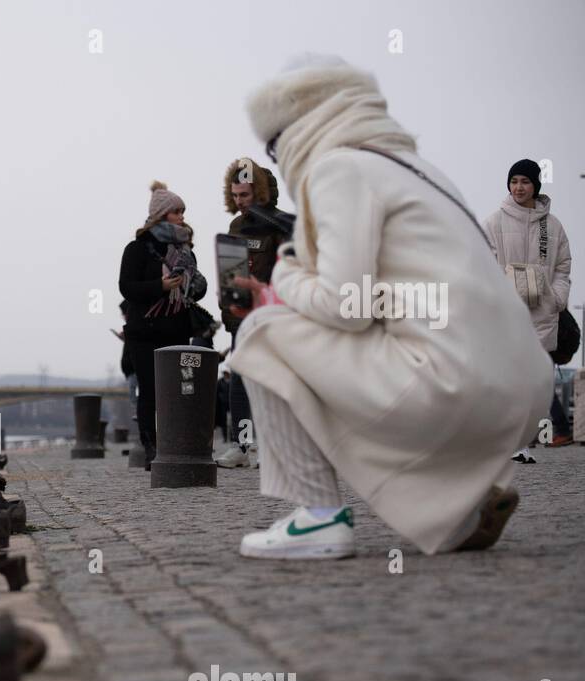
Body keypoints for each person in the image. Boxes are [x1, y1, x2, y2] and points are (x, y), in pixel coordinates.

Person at [227, 54, 552, 560]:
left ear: (295, 128)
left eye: (273, 146)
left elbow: (346, 305)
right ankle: (457, 507)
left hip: (455, 386)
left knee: (264, 333)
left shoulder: (338, 168)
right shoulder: (419, 168)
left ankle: (318, 518)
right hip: (526, 388)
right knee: (377, 348)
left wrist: (283, 276)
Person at [483, 159, 574, 458]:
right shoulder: (494, 222)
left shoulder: (553, 225)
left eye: (525, 181)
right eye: (514, 181)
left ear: (536, 185)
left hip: (542, 314)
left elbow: (562, 267)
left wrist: (558, 297)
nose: (518, 187)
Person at [118, 182, 208, 467]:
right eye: (176, 211)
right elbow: (127, 287)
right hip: (144, 333)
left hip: (178, 330)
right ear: (161, 215)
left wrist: (192, 286)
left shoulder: (185, 250)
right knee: (150, 391)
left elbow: (197, 289)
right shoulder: (137, 248)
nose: (182, 216)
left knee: (182, 390)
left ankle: (179, 445)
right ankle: (152, 449)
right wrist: (161, 285)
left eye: (183, 211)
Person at [216, 158, 293, 469]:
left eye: (244, 195)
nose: (239, 202)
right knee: (239, 381)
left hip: (273, 316)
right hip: (241, 318)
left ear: (258, 193)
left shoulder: (280, 225)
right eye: (234, 196)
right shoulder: (236, 226)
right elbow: (229, 273)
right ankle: (243, 445)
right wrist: (229, 310)